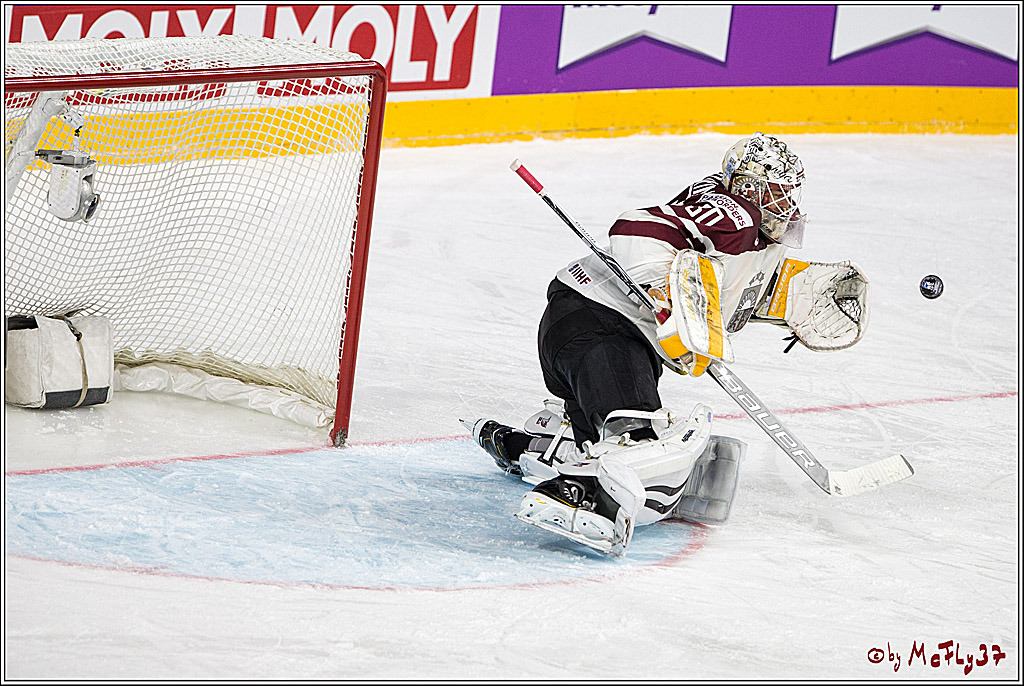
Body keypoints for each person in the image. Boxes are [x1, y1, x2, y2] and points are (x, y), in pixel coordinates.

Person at [465, 132, 869, 556]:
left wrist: (794, 300)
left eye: (788, 192)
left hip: (596, 330)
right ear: (747, 189)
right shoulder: (733, 216)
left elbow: (722, 286)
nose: (784, 203)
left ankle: (538, 446)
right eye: (774, 191)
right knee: (634, 442)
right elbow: (634, 228)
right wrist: (661, 289)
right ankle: (582, 496)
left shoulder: (754, 236)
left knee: (620, 441)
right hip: (598, 324)